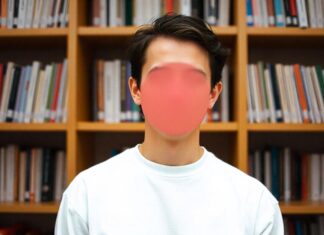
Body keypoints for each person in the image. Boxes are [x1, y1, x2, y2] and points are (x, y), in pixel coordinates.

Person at [55, 14, 284, 234]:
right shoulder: (85, 196)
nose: (176, 94)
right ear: (136, 90)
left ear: (213, 94)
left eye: (193, 79)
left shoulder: (255, 204)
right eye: (161, 77)